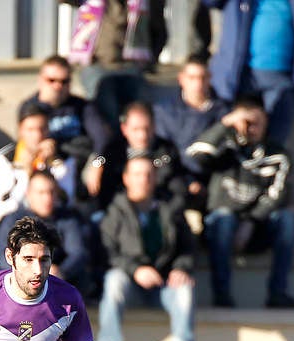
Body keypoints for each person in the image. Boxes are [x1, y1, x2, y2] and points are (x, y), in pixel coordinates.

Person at [188, 96, 294, 308]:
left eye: (256, 122)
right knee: (223, 218)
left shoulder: (278, 155)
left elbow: (277, 196)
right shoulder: (226, 148)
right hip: (220, 226)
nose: (251, 128)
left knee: (288, 219)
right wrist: (226, 124)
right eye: (245, 122)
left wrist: (250, 222)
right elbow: (195, 154)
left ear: (266, 120)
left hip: (257, 227)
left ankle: (278, 293)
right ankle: (222, 295)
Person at [94, 155, 197, 341]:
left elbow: (188, 247)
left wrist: (181, 267)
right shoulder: (115, 211)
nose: (144, 179)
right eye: (138, 174)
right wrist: (136, 270)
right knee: (114, 279)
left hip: (164, 284)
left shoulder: (170, 208)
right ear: (126, 178)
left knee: (184, 287)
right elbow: (106, 252)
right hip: (130, 283)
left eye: (149, 174)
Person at [202, 0, 294, 145]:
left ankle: (270, 157)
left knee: (280, 124)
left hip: (280, 78)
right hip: (240, 76)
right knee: (235, 131)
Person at [61, 0, 167, 131]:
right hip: (98, 65)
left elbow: (159, 31)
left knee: (139, 115)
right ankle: (108, 148)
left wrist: (150, 60)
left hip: (132, 66)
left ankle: (136, 150)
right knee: (105, 112)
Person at [18, 55, 110, 205]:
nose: (58, 86)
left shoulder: (81, 106)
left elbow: (101, 138)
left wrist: (98, 162)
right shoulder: (30, 108)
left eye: (64, 81)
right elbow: (26, 144)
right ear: (41, 80)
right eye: (51, 80)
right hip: (46, 168)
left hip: (80, 166)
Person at [153, 56, 230, 212]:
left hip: (213, 182)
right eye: (192, 77)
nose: (198, 84)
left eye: (203, 78)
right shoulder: (164, 111)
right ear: (181, 79)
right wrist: (187, 181)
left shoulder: (224, 113)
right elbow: (162, 152)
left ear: (210, 79)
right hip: (176, 181)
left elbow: (226, 153)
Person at [0, 171, 91, 294]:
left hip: (59, 284)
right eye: (41, 192)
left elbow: (77, 253)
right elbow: (1, 258)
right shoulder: (13, 220)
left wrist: (60, 271)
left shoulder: (68, 219)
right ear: (28, 194)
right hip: (18, 286)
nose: (47, 198)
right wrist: (29, 271)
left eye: (51, 192)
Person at [0, 104, 76, 227]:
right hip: (17, 221)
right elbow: (4, 205)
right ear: (20, 130)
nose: (37, 136)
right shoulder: (6, 159)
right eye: (31, 130)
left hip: (53, 221)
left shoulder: (63, 159)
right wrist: (26, 175)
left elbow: (66, 202)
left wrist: (48, 168)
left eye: (42, 129)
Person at [99, 101, 187, 213]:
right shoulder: (113, 152)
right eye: (136, 129)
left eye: (147, 128)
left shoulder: (167, 151)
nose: (142, 136)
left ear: (154, 127)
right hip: (123, 215)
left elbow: (178, 190)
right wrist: (95, 165)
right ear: (124, 129)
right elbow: (106, 191)